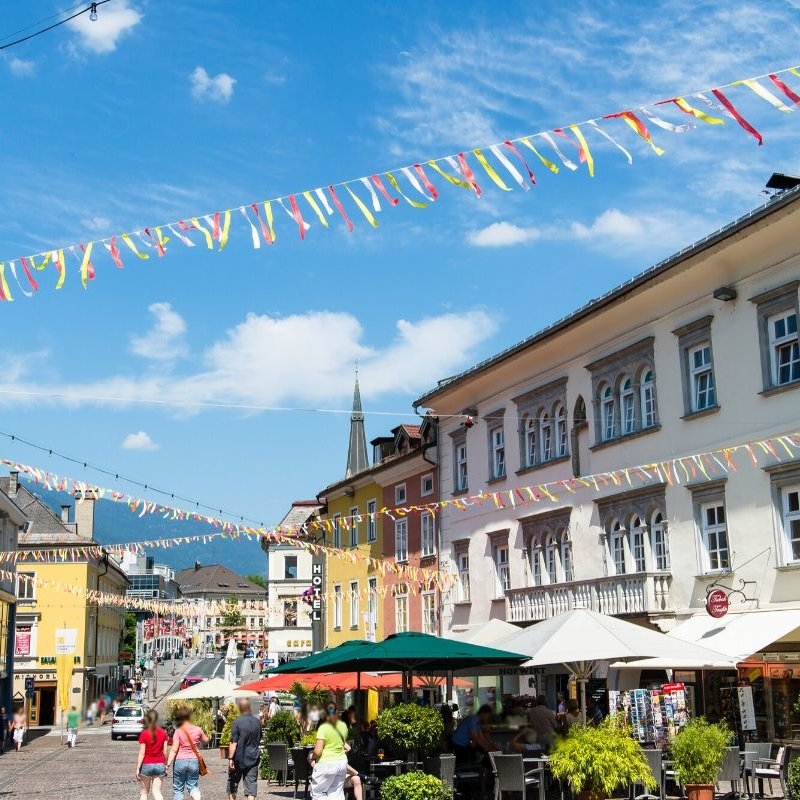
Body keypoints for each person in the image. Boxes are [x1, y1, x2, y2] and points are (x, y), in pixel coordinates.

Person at [166, 703, 209, 800]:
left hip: (180, 761)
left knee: (178, 789)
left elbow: (174, 749)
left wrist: (167, 764)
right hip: (194, 760)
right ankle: (197, 797)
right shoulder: (198, 729)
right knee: (193, 786)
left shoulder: (178, 731)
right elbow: (206, 741)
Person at [309, 703, 350, 800]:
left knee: (319, 794)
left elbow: (318, 751)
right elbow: (344, 745)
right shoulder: (343, 726)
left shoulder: (323, 728)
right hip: (341, 763)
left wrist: (312, 756)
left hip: (326, 764)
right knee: (336, 794)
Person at [227, 698, 261, 800]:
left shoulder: (236, 722)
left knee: (232, 785)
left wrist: (230, 759)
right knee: (251, 787)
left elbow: (234, 743)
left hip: (238, 758)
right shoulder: (257, 722)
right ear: (249, 708)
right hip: (253, 757)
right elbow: (259, 739)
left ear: (240, 708)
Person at [137, 709, 168, 800]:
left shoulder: (144, 734)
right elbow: (165, 751)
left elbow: (142, 753)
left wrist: (138, 768)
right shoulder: (163, 733)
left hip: (146, 764)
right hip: (159, 764)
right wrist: (165, 764)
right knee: (157, 792)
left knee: (144, 792)